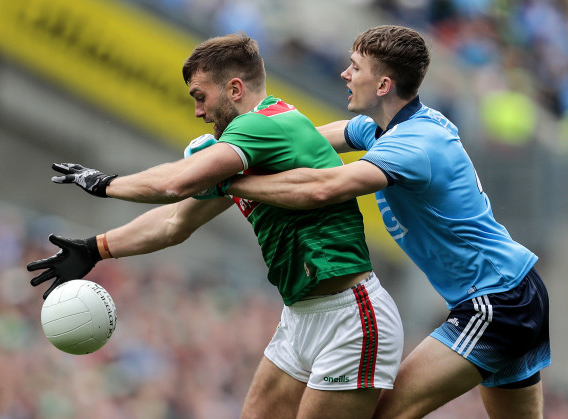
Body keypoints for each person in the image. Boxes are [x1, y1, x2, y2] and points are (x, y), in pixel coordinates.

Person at [27, 33, 404, 418]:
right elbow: (176, 221)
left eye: (199, 96)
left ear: (235, 89)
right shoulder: (250, 153)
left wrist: (105, 183)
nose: (198, 112)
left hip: (350, 318)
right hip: (301, 317)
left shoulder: (264, 126)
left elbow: (176, 183)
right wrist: (97, 247)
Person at [201, 25, 551, 418]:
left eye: (354, 67)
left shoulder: (412, 145)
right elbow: (307, 142)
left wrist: (230, 181)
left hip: (496, 302)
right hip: (514, 291)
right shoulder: (386, 129)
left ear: (383, 84)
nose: (344, 74)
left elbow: (322, 188)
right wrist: (237, 152)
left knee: (382, 414)